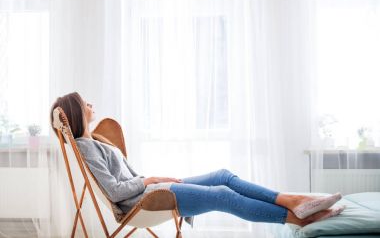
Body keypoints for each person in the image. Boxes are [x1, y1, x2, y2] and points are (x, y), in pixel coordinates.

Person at [50, 92, 345, 227]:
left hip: (149, 190)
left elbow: (124, 180)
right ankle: (296, 217)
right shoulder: (84, 147)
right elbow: (115, 192)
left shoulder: (96, 140)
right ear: (76, 113)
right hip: (143, 200)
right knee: (222, 195)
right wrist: (150, 180)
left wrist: (151, 180)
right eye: (84, 103)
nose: (90, 104)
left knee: (223, 175)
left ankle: (293, 200)